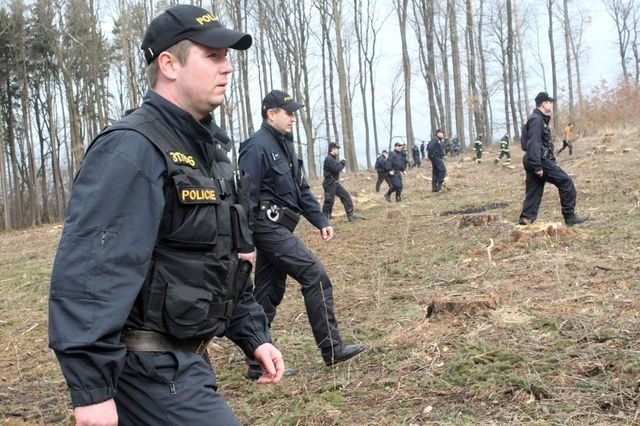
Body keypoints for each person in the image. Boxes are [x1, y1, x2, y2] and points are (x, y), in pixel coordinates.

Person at [48, 5, 285, 426]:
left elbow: (220, 262)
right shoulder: (132, 149)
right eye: (213, 55)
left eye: (227, 57)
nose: (228, 67)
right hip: (146, 371)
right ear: (169, 64)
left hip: (187, 363)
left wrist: (253, 334)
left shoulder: (210, 154)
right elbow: (92, 271)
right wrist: (92, 391)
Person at [238, 90, 365, 380]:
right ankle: (331, 348)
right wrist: (244, 242)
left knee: (267, 294)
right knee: (314, 274)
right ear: (271, 113)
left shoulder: (285, 146)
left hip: (282, 226)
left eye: (294, 113)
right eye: (289, 113)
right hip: (266, 227)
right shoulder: (256, 147)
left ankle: (257, 362)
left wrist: (320, 220)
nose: (294, 118)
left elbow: (301, 190)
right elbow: (245, 197)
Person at [518, 92, 588, 226]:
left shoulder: (535, 119)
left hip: (533, 159)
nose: (551, 104)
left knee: (533, 192)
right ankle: (570, 217)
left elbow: (527, 143)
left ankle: (525, 221)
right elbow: (533, 143)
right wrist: (537, 165)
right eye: (550, 102)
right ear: (543, 103)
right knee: (566, 182)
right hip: (539, 160)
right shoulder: (537, 120)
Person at [322, 142, 358, 221]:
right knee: (329, 202)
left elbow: (336, 168)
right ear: (333, 149)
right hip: (329, 183)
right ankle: (324, 221)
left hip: (334, 183)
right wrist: (343, 162)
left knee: (345, 196)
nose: (338, 150)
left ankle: (351, 215)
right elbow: (336, 169)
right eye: (337, 149)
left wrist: (341, 163)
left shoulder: (332, 158)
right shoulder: (329, 159)